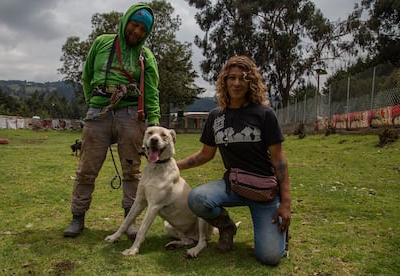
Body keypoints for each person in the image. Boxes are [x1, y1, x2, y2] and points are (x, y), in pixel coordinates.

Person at [176, 55, 291, 265]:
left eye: (243, 78)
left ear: (251, 82)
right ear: (224, 81)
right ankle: (227, 226)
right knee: (197, 198)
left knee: (270, 257)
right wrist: (175, 165)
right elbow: (205, 154)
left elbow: (279, 161)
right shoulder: (215, 116)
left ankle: (279, 233)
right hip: (233, 186)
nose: (237, 83)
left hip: (264, 192)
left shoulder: (264, 114)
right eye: (232, 78)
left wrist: (285, 203)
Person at [63, 3, 160, 238]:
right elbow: (86, 76)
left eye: (142, 30)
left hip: (130, 116)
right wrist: (94, 103)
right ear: (126, 21)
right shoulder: (102, 42)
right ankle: (77, 217)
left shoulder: (145, 56)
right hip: (98, 114)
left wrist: (154, 122)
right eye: (134, 25)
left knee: (132, 171)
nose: (136, 32)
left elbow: (152, 90)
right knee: (86, 168)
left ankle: (130, 222)